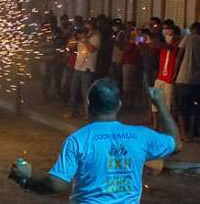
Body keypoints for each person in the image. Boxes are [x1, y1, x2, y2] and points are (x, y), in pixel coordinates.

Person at [10, 79, 180, 202]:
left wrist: (24, 179)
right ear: (119, 104)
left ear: (88, 104)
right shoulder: (141, 135)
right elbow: (175, 144)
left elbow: (55, 184)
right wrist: (161, 105)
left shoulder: (78, 140)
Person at [65, 25, 100, 119]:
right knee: (73, 90)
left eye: (86, 30)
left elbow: (92, 49)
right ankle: (74, 111)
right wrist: (75, 36)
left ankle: (88, 113)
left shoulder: (95, 38)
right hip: (77, 67)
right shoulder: (79, 37)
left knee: (86, 92)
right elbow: (70, 46)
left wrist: (85, 40)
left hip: (87, 69)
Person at [152, 22, 181, 130]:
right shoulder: (164, 46)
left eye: (170, 34)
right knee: (155, 104)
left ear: (176, 36)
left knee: (168, 106)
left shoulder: (177, 45)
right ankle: (156, 126)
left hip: (169, 79)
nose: (167, 36)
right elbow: (151, 49)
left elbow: (169, 47)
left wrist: (156, 41)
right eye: (166, 34)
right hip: (160, 77)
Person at [175, 22, 200, 141]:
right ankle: (191, 133)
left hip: (184, 78)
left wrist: (175, 74)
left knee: (180, 106)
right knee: (194, 107)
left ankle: (183, 133)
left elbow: (179, 56)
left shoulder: (188, 39)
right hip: (197, 80)